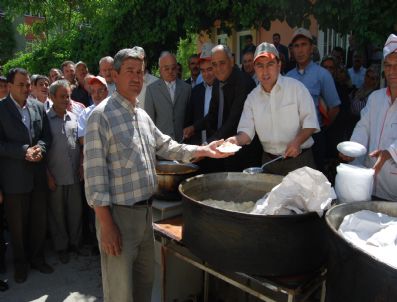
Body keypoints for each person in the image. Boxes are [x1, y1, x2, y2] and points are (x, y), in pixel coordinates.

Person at [84, 47, 232, 302]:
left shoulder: (140, 115)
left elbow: (168, 146)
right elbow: (95, 177)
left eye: (140, 72)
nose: (136, 77)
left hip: (145, 216)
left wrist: (205, 150)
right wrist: (106, 225)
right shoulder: (101, 116)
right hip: (118, 217)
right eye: (129, 71)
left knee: (144, 285)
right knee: (120, 293)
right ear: (115, 76)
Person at [226, 42, 319, 175]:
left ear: (279, 65)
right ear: (254, 68)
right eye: (260, 65)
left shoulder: (296, 88)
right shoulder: (252, 98)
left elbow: (310, 123)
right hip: (270, 164)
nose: (265, 71)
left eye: (270, 64)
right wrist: (233, 141)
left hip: (300, 162)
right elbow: (246, 133)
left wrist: (297, 141)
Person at [0, 68, 53, 283]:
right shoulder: (1, 109)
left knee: (38, 221)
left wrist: (40, 148)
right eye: (21, 85)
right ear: (10, 86)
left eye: (27, 84)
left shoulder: (38, 107)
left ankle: (37, 259)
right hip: (14, 179)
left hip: (37, 176)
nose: (26, 88)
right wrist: (23, 151)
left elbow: (46, 136)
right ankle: (21, 264)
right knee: (17, 225)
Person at [339, 34, 397, 201]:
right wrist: (353, 149)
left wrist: (389, 152)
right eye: (388, 65)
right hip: (368, 185)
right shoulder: (376, 98)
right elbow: (363, 127)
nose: (392, 71)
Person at [194, 44, 262, 171]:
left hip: (243, 153)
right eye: (214, 64)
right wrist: (193, 128)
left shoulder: (244, 83)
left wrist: (207, 144)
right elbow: (212, 114)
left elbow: (233, 120)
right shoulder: (217, 82)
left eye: (222, 63)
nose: (218, 68)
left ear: (231, 61)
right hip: (222, 149)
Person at [287, 28, 341, 173]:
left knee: (314, 179)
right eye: (296, 46)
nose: (300, 50)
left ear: (311, 48)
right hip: (292, 137)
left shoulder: (323, 75)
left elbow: (334, 107)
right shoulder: (288, 77)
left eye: (304, 44)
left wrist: (322, 126)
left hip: (315, 137)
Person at [46, 80, 84, 264]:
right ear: (52, 97)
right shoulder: (44, 120)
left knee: (75, 213)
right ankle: (61, 247)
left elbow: (80, 146)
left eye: (68, 95)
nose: (65, 99)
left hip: (74, 175)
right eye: (62, 96)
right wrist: (48, 175)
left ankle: (75, 244)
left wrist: (81, 165)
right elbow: (41, 149)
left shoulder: (74, 118)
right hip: (55, 177)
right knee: (57, 216)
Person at [145, 51, 191, 142]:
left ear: (177, 68)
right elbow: (149, 121)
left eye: (173, 68)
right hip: (161, 144)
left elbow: (189, 117)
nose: (170, 71)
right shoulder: (151, 89)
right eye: (166, 68)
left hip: (183, 142)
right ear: (160, 69)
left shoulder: (187, 88)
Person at [184, 42, 215, 146]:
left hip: (220, 147)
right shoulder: (196, 91)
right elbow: (190, 120)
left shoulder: (224, 90)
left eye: (210, 69)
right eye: (203, 70)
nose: (206, 74)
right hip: (200, 146)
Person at [78, 76, 109, 144]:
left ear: (107, 92)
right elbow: (81, 139)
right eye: (93, 91)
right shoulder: (85, 113)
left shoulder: (115, 109)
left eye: (100, 90)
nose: (96, 95)